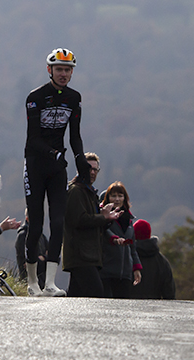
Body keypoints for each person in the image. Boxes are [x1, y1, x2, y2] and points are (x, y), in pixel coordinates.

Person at [23, 48, 89, 296]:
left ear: (72, 72)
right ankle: (32, 282)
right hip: (36, 164)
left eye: (68, 70)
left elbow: (75, 135)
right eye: (59, 69)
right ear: (49, 70)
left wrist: (80, 159)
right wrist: (54, 154)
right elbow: (33, 139)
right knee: (36, 224)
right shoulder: (35, 97)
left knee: (58, 223)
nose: (63, 74)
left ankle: (50, 283)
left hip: (57, 166)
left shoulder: (74, 98)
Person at [62, 152, 121, 297]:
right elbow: (79, 220)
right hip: (81, 255)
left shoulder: (88, 192)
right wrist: (103, 217)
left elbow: (93, 222)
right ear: (80, 169)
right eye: (89, 168)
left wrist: (105, 219)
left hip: (88, 255)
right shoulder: (76, 191)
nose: (93, 172)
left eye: (95, 169)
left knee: (75, 296)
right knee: (96, 292)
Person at [99, 181, 142, 298]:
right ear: (108, 198)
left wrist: (136, 268)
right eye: (113, 196)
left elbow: (132, 248)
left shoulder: (129, 221)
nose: (117, 199)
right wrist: (114, 239)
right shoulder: (103, 218)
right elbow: (104, 232)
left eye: (120, 196)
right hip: (106, 272)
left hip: (125, 274)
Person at [131, 219, 176, 300]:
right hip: (154, 309)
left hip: (129, 307)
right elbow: (169, 292)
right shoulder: (162, 261)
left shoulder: (128, 259)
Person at [15, 210, 49, 287]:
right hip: (28, 282)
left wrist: (43, 258)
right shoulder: (22, 236)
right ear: (27, 219)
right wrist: (42, 259)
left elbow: (53, 256)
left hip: (43, 280)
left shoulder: (42, 236)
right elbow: (25, 261)